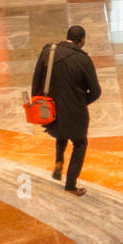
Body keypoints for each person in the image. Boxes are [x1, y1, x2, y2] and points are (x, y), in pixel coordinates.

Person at [30, 25, 102, 197]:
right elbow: (96, 91)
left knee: (61, 133)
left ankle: (59, 161)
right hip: (76, 112)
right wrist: (81, 102)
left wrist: (37, 102)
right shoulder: (83, 60)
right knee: (79, 143)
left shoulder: (48, 51)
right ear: (82, 40)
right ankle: (70, 184)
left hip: (51, 109)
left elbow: (37, 78)